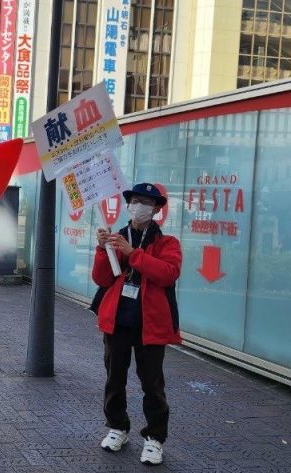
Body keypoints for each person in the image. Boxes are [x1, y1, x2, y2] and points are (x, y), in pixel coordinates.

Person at [92, 183, 182, 467]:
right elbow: (102, 278)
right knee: (114, 378)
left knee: (152, 384)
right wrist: (101, 249)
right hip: (118, 322)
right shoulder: (117, 237)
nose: (138, 206)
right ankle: (117, 427)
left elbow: (167, 273)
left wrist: (133, 253)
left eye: (146, 202)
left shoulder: (168, 243)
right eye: (134, 201)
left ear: (156, 209)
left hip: (151, 326)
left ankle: (154, 438)